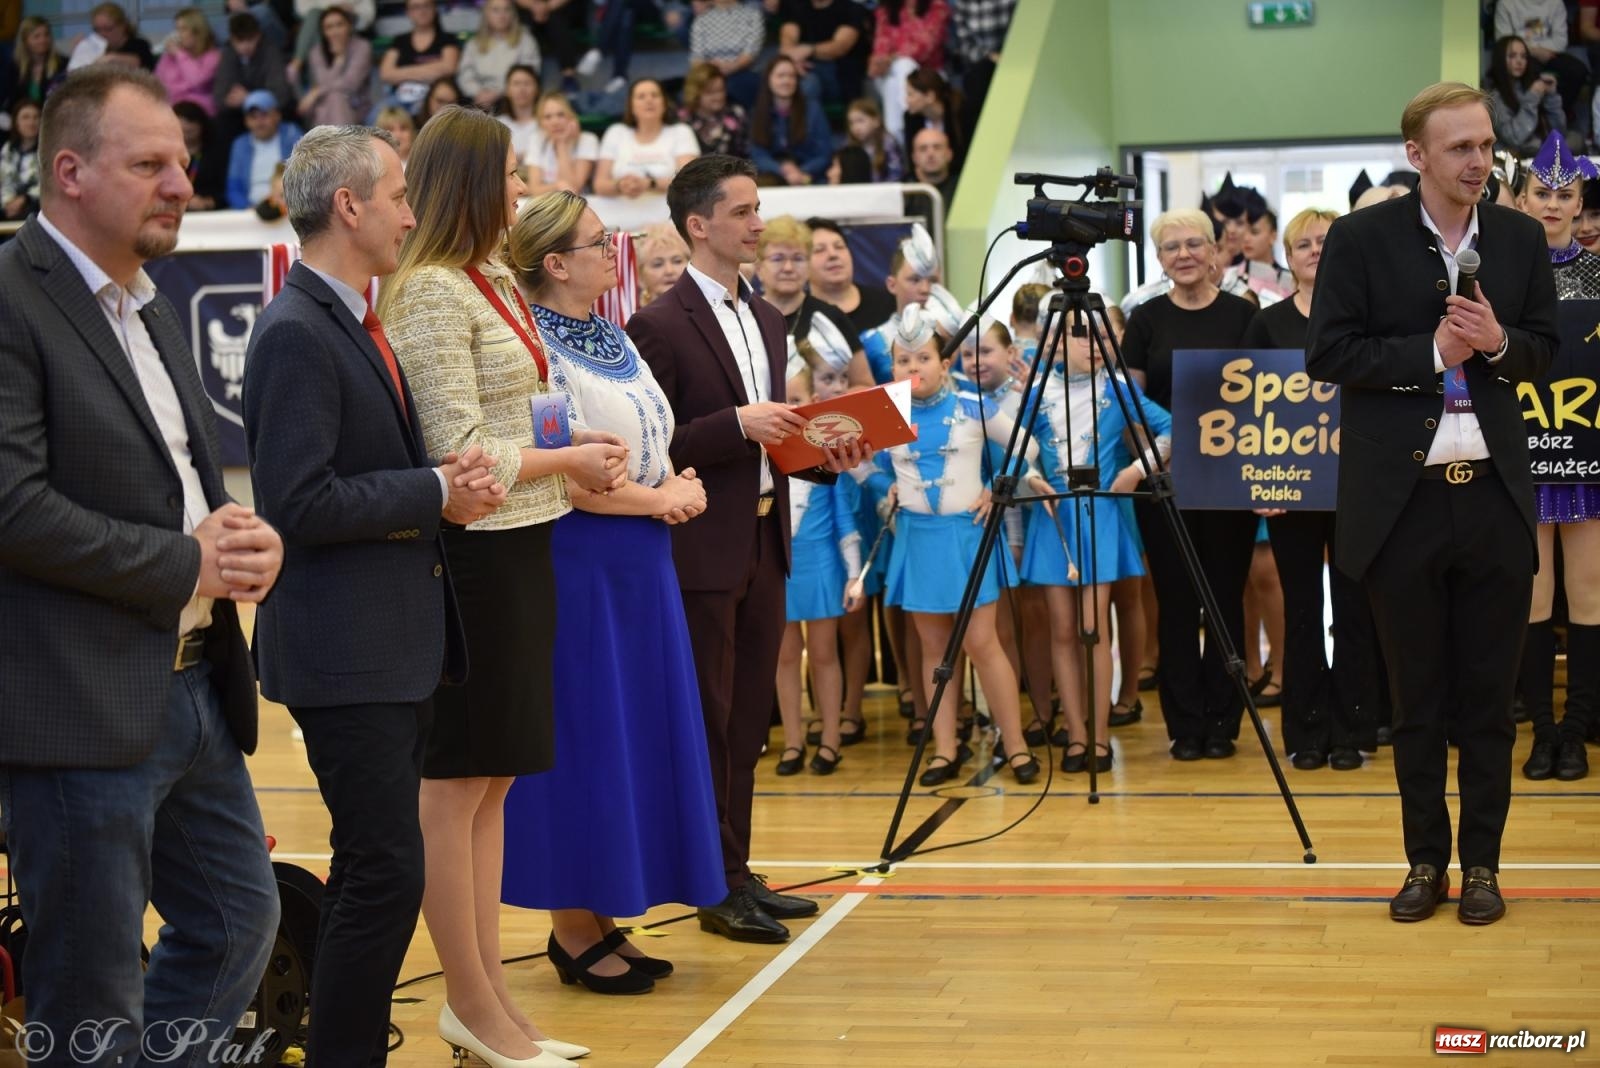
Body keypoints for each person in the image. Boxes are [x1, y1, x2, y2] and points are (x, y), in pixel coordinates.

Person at [0, 65, 283, 1062]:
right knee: (88, 982)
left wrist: (242, 535)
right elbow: (11, 506)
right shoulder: (9, 298)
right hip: (75, 702)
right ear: (68, 171)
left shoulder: (150, 301)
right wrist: (182, 562)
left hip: (195, 688)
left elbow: (182, 487)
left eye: (184, 163)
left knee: (238, 923)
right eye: (150, 164)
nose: (180, 184)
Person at [243, 122, 505, 1065]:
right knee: (384, 872)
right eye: (397, 194)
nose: (411, 211)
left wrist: (443, 480)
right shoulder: (296, 333)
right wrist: (435, 490)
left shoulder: (348, 318)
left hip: (384, 645)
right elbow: (298, 500)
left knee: (383, 869)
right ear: (347, 206)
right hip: (344, 652)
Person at [380, 105, 626, 1065]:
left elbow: (528, 412)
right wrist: (563, 463)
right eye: (511, 176)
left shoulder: (491, 281)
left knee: (496, 782)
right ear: (471, 186)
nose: (523, 193)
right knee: (456, 785)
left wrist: (576, 453)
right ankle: (471, 999)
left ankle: (489, 999)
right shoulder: (435, 288)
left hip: (528, 542)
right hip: (474, 552)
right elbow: (456, 448)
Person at [1305, 82, 1559, 925]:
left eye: (1486, 145)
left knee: (1491, 704)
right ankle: (1425, 863)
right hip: (1400, 506)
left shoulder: (1520, 239)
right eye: (1460, 148)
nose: (1480, 161)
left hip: (1492, 500)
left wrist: (1499, 345)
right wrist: (1431, 351)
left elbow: (1545, 355)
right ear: (1417, 155)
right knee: (1415, 705)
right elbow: (1329, 353)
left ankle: (1482, 868)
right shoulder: (1361, 238)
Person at [626, 154, 867, 944]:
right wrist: (737, 428)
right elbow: (651, 446)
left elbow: (773, 436)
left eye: (758, 209)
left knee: (749, 720)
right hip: (700, 546)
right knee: (710, 717)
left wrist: (821, 448)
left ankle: (736, 869)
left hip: (768, 536)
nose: (759, 224)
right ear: (700, 226)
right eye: (743, 212)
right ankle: (710, 882)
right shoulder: (657, 325)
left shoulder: (767, 318)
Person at [501, 190, 726, 993]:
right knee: (586, 735)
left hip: (638, 559)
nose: (614, 251)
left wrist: (675, 480)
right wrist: (659, 499)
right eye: (600, 242)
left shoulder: (608, 332)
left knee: (629, 735)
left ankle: (601, 912)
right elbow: (568, 475)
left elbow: (640, 443)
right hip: (582, 560)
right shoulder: (533, 347)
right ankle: (570, 925)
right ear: (555, 263)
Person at [854, 305, 1041, 785]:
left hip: (967, 537)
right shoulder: (882, 411)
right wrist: (886, 487)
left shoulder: (972, 404)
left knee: (983, 644)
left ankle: (1016, 746)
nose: (912, 369)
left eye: (922, 359)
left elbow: (1027, 447)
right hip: (916, 540)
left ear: (944, 363)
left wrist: (997, 487)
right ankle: (945, 749)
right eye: (902, 361)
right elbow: (858, 466)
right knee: (934, 650)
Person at [1241, 207, 1385, 771]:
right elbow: (1247, 411)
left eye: (1327, 241)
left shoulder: (1365, 320)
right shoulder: (1266, 324)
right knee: (1300, 608)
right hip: (1290, 489)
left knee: (1353, 607)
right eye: (1305, 244)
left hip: (1356, 487)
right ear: (1289, 256)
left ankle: (1352, 728)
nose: (1316, 252)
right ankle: (1305, 731)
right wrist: (1259, 476)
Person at [1122, 209, 1259, 762]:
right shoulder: (1145, 320)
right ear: (1158, 258)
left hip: (1229, 482)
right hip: (1166, 483)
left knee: (1225, 598)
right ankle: (1184, 725)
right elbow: (1131, 408)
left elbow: (1262, 397)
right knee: (1176, 603)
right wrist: (1157, 459)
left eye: (1193, 244)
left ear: (1214, 252)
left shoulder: (1244, 315)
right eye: (1170, 246)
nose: (1183, 254)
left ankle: (1224, 721)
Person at [1021, 306, 1169, 773]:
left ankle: (1100, 736)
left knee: (1093, 629)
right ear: (1059, 343)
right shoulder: (1041, 391)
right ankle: (1077, 735)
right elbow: (1012, 444)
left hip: (1099, 513)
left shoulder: (1118, 389)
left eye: (1105, 337)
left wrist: (1136, 471)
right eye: (1084, 336)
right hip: (1053, 519)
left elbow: (1170, 428)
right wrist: (1029, 476)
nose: (1096, 345)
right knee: (1062, 630)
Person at [1512, 131, 1600, 783]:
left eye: (1563, 194)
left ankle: (1577, 730)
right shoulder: (1499, 277)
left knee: (1588, 592)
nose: (1552, 204)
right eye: (1541, 192)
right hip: (1520, 462)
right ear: (1520, 198)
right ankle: (1540, 730)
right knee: (1532, 594)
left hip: (1589, 458)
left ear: (1579, 203)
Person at [775, 347, 864, 774]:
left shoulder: (827, 458)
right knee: (785, 656)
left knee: (825, 654)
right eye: (783, 398)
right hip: (782, 567)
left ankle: (829, 738)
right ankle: (793, 740)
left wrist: (853, 576)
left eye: (798, 398)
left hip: (823, 568)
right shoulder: (765, 456)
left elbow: (846, 522)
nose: (791, 408)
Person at [755, 214, 874, 386]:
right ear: (759, 268)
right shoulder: (744, 316)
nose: (788, 268)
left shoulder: (832, 317)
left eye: (798, 259)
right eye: (778, 259)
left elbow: (864, 385)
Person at [594, 78, 700, 198]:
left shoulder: (681, 131)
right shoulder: (616, 132)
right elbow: (599, 185)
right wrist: (620, 185)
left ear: (665, 103)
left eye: (655, 95)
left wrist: (650, 183)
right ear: (631, 106)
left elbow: (689, 183)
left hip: (669, 211)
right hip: (620, 211)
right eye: (641, 96)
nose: (649, 100)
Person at [869, 0, 948, 145]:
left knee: (902, 67)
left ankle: (902, 133)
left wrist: (892, 57)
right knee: (895, 77)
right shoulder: (886, 10)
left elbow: (925, 46)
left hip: (928, 75)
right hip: (890, 73)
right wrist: (881, 61)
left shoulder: (937, 6)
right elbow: (880, 47)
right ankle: (903, 132)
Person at [807, 215, 898, 338]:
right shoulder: (798, 316)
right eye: (819, 250)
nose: (833, 255)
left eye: (839, 247)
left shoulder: (889, 303)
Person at [749, 55, 832, 186]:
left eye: (791, 76)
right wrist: (781, 169)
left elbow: (823, 153)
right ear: (768, 79)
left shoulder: (813, 109)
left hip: (808, 174)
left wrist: (801, 172)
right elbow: (757, 154)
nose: (786, 81)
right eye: (780, 76)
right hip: (772, 175)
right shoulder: (758, 111)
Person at [777, 0, 871, 106]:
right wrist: (792, 61)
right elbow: (787, 39)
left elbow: (840, 46)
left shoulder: (851, 9)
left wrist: (809, 49)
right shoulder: (797, 6)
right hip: (801, 67)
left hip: (838, 74)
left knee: (807, 84)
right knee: (777, 75)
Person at [1485, 35, 1565, 154]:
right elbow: (1514, 137)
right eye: (1512, 56)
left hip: (1539, 156)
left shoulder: (1529, 86)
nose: (1519, 61)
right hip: (1513, 159)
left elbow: (1559, 132)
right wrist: (1532, 97)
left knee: (1574, 141)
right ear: (1500, 59)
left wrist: (1551, 96)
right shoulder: (1494, 96)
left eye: (1524, 56)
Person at [378, 0, 460, 116]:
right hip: (400, 99)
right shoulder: (400, 41)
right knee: (377, 114)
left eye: (426, 6)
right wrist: (433, 70)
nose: (422, 11)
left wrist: (402, 72)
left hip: (435, 99)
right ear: (408, 12)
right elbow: (385, 74)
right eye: (415, 7)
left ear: (434, 8)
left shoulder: (447, 39)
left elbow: (449, 68)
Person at [227, 88, 304, 209]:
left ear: (277, 116)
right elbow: (234, 188)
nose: (259, 122)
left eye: (264, 115)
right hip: (251, 210)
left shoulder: (292, 134)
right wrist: (247, 208)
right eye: (253, 117)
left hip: (289, 207)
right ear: (246, 121)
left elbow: (306, 177)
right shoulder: (240, 144)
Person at [458, 0, 541, 111]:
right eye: (495, 10)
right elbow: (465, 73)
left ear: (513, 14)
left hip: (512, 98)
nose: (502, 15)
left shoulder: (526, 40)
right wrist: (478, 92)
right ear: (486, 14)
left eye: (506, 10)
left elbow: (529, 74)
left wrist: (498, 93)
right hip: (479, 98)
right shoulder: (473, 43)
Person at [300, 5, 373, 128]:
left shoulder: (362, 47)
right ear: (323, 32)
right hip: (324, 109)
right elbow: (324, 81)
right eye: (329, 27)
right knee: (333, 99)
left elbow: (350, 84)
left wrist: (316, 92)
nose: (335, 31)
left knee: (337, 97)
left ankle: (334, 142)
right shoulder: (316, 52)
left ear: (349, 26)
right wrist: (339, 60)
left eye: (340, 25)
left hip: (356, 106)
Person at [688, 0, 766, 107]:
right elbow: (696, 58)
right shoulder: (701, 19)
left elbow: (751, 52)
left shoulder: (752, 15)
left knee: (738, 85)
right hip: (710, 72)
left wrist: (731, 67)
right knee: (700, 86)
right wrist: (713, 70)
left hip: (741, 70)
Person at [523, 90, 599, 194]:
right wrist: (558, 185)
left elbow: (573, 191)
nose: (555, 122)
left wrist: (562, 144)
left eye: (561, 115)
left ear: (572, 116)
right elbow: (534, 189)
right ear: (540, 122)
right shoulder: (537, 139)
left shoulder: (588, 140)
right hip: (547, 204)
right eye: (547, 117)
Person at [154, 7, 220, 115]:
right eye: (177, 29)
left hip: (197, 111)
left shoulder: (212, 56)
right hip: (169, 109)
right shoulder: (170, 56)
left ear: (197, 32)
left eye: (183, 29)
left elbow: (197, 82)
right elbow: (156, 82)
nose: (178, 34)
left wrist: (179, 54)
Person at [902, 66, 964, 176]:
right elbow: (913, 160)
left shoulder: (961, 113)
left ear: (930, 96)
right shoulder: (910, 118)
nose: (906, 100)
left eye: (910, 94)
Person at [681, 61, 750, 160]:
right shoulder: (683, 118)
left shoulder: (736, 113)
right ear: (695, 93)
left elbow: (746, 154)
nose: (718, 97)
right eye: (710, 92)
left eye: (721, 90)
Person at [846, 97, 906, 183]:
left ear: (876, 121)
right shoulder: (851, 148)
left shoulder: (888, 143)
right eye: (851, 123)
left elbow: (896, 175)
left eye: (860, 121)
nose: (856, 128)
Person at [1, 98, 41, 219]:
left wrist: (25, 199)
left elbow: (47, 183)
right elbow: (4, 181)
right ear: (16, 122)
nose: (31, 122)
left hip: (36, 205)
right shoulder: (8, 148)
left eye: (36, 117)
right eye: (26, 117)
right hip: (9, 207)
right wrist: (8, 203)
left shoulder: (49, 148)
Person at [13, 16, 66, 105]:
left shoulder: (62, 63)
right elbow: (12, 100)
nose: (43, 40)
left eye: (46, 35)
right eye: (36, 36)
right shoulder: (14, 67)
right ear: (25, 40)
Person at [496, 63, 543, 161]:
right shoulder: (497, 124)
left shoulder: (546, 122)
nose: (522, 89)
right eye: (516, 83)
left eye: (527, 83)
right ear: (507, 90)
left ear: (537, 89)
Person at [637, 219, 690, 304]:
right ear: (640, 275)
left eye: (677, 261)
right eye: (658, 264)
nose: (669, 271)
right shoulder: (629, 313)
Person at [909, 125, 957, 212]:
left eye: (937, 147)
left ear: (949, 154)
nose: (930, 154)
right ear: (914, 157)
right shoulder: (905, 194)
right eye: (923, 149)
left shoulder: (962, 189)